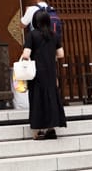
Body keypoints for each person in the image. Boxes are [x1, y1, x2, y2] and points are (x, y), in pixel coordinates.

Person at [19, 9, 66, 140]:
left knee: (37, 99)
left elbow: (26, 54)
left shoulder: (32, 35)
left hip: (36, 73)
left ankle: (39, 131)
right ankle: (51, 129)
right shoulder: (54, 35)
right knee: (51, 97)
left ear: (35, 21)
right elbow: (61, 54)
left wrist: (23, 58)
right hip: (51, 72)